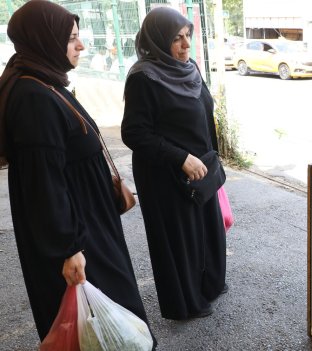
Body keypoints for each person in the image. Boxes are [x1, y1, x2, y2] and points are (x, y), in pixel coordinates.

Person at [0, 0, 155, 345]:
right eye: (71, 38)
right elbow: (44, 184)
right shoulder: (34, 97)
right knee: (101, 326)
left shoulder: (44, 83)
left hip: (88, 225)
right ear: (44, 40)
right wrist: (68, 248)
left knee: (108, 327)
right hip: (79, 236)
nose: (81, 45)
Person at [121, 7, 227, 320]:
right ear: (156, 40)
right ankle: (185, 302)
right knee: (180, 240)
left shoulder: (190, 67)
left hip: (201, 167)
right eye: (176, 39)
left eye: (187, 37)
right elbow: (134, 133)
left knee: (207, 231)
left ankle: (209, 285)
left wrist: (214, 161)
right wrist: (181, 158)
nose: (185, 45)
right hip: (165, 174)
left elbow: (205, 116)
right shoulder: (144, 77)